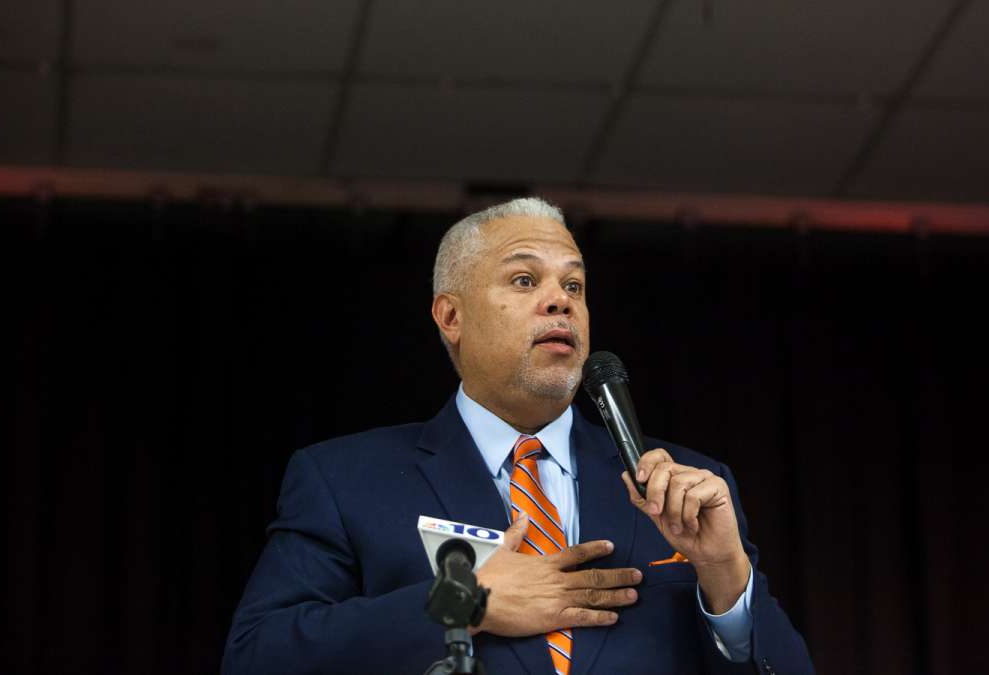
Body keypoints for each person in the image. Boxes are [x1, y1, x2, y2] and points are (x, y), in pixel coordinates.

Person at [222, 198, 814, 674]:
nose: (560, 300)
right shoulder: (346, 480)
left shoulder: (688, 487)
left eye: (575, 287)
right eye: (525, 279)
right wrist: (463, 605)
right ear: (451, 317)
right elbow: (257, 655)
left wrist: (726, 574)